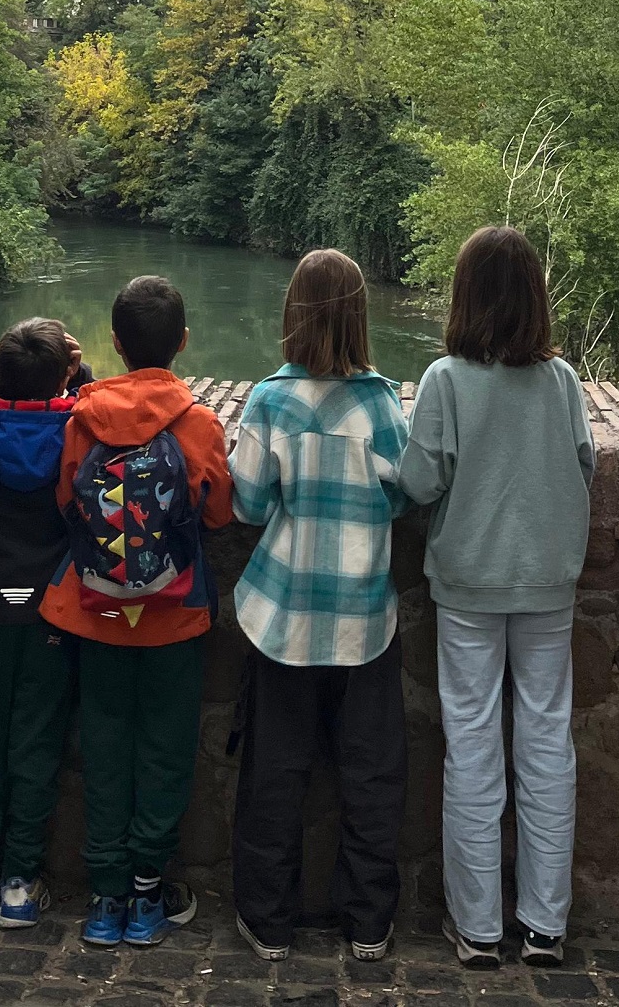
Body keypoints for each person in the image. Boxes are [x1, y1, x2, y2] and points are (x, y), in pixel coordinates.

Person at [398, 226, 596, 969]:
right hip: (548, 581)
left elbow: (419, 483)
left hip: (470, 584)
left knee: (473, 745)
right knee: (547, 745)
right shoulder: (563, 381)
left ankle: (478, 927)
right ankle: (545, 925)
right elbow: (584, 464)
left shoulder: (447, 379)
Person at [229, 249, 410, 968]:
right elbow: (402, 493)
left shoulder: (270, 399)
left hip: (283, 617)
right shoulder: (381, 400)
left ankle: (269, 921)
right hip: (365, 618)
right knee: (370, 775)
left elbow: (246, 502)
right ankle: (368, 921)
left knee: (275, 771)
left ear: (292, 315)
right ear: (361, 315)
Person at [39, 274, 232, 949]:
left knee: (105, 747)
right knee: (165, 752)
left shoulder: (81, 421)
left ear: (115, 343)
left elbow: (67, 503)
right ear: (182, 343)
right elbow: (217, 511)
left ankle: (104, 896)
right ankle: (148, 894)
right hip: (175, 619)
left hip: (97, 616)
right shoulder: (201, 424)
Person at [0, 316, 86, 932]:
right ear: (64, 375)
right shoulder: (76, 429)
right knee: (36, 741)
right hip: (52, 613)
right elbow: (95, 414)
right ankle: (21, 883)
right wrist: (78, 377)